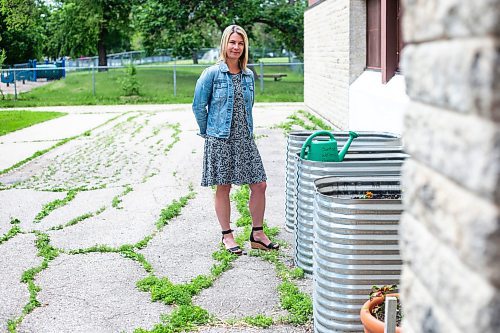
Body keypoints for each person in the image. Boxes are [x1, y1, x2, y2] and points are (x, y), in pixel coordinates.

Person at [192, 25, 279, 255]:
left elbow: (248, 106)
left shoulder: (248, 75)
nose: (236, 47)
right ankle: (227, 235)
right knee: (224, 187)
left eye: (240, 43)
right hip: (220, 138)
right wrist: (208, 131)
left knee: (260, 184)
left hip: (245, 138)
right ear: (224, 44)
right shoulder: (211, 73)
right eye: (232, 42)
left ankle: (257, 234)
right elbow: (198, 106)